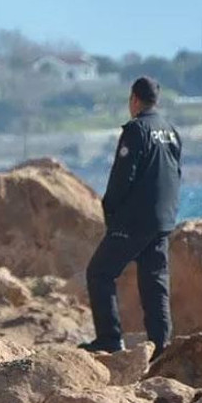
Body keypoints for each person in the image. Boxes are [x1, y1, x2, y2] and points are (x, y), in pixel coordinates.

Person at [82, 76, 183, 360]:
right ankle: (161, 347)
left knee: (99, 272)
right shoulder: (171, 131)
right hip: (163, 219)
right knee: (155, 282)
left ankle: (109, 339)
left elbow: (122, 176)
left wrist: (110, 210)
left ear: (134, 99)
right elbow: (175, 174)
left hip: (134, 220)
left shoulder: (136, 130)